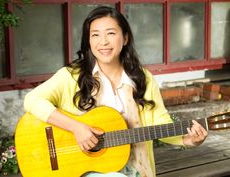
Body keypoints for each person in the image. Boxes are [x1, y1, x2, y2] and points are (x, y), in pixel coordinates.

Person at [24, 6, 208, 177]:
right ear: (88, 41)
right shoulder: (72, 76)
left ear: (125, 38)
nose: (103, 42)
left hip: (135, 169)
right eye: (95, 35)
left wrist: (189, 140)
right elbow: (32, 100)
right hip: (84, 171)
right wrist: (77, 128)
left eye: (111, 33)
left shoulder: (142, 78)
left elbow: (159, 121)